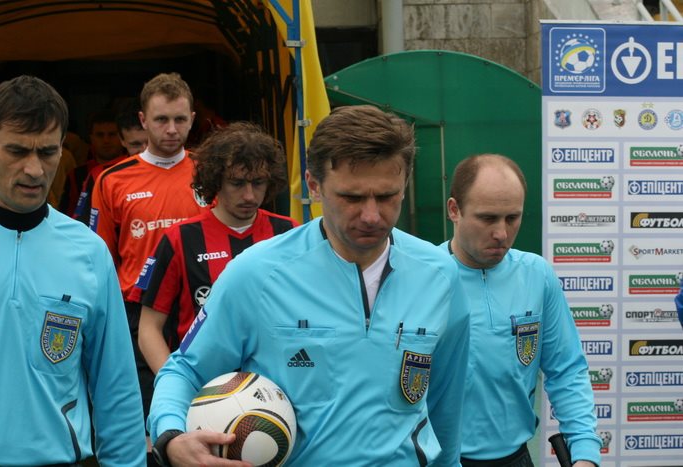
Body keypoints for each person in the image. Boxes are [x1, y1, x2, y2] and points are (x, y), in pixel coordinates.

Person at [147, 105, 470, 466]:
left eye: (386, 196)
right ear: (314, 186)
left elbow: (446, 406)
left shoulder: (441, 276)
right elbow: (185, 371)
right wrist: (171, 438)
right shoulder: (256, 274)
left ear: (405, 184)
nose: (371, 215)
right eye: (352, 197)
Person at [0, 75, 146, 465]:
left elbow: (116, 387)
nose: (34, 170)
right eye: (17, 150)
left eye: (47, 152)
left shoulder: (89, 252)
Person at [441, 154, 601, 467]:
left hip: (517, 458)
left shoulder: (537, 275)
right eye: (487, 218)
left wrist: (585, 452)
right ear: (454, 210)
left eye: (512, 218)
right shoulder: (424, 278)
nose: (501, 233)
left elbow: (566, 369)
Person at [90, 72, 209, 464]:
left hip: (201, 309)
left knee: (205, 413)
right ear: (143, 120)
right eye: (161, 119)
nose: (171, 129)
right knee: (145, 420)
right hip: (136, 314)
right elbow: (99, 258)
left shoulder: (210, 171)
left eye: (180, 119)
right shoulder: (112, 179)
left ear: (192, 119)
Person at [130, 121, 299, 375]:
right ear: (216, 180)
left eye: (258, 182)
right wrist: (174, 384)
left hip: (276, 385)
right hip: (204, 386)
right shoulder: (180, 238)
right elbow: (149, 328)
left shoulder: (289, 233)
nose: (249, 195)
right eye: (237, 183)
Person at [73, 105, 148, 225]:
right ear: (122, 141)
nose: (144, 150)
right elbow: (83, 224)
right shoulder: (101, 175)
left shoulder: (178, 170)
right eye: (135, 145)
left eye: (150, 143)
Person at [59, 109, 125, 215]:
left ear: (122, 136)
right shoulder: (77, 175)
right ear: (91, 138)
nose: (106, 140)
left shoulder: (135, 169)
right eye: (100, 135)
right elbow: (68, 214)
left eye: (112, 134)